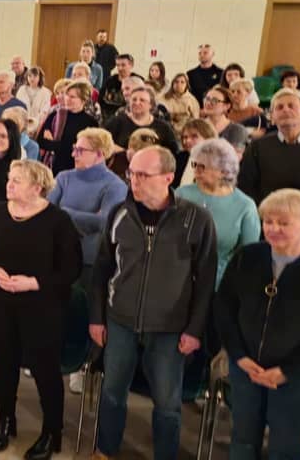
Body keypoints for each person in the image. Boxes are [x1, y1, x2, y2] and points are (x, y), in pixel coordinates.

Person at [89, 146, 217, 460]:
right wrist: (97, 317)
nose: (134, 181)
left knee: (167, 402)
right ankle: (105, 450)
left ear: (168, 178)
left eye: (143, 175)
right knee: (112, 392)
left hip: (170, 327)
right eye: (131, 173)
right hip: (120, 319)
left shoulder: (195, 219)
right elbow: (102, 269)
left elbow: (205, 281)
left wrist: (195, 329)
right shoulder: (119, 213)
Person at [216, 189, 300, 460]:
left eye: (284, 223)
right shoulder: (247, 257)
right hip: (245, 368)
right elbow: (224, 310)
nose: (273, 228)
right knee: (242, 438)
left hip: (296, 376)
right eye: (268, 221)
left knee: (284, 445)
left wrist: (288, 371)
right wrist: (239, 356)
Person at [0, 160, 81, 457]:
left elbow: (71, 269)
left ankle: (52, 432)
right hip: (0, 303)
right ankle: (6, 420)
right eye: (9, 179)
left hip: (41, 307)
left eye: (17, 181)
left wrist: (33, 283)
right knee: (4, 363)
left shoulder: (58, 221)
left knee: (45, 369)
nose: (9, 184)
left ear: (37, 188)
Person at [48, 127, 127, 394]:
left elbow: (104, 223)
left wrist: (66, 214)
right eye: (74, 148)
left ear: (100, 154)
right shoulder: (64, 177)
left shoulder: (114, 185)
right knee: (57, 309)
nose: (74, 154)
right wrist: (80, 218)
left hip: (92, 260)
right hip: (60, 255)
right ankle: (53, 356)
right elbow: (48, 211)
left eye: (80, 150)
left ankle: (84, 364)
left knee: (87, 313)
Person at [176, 138, 261, 286]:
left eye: (202, 167)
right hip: (179, 279)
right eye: (195, 165)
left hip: (221, 284)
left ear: (224, 171)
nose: (196, 171)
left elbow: (248, 256)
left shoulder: (245, 206)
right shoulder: (181, 195)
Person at [239, 88, 300, 209]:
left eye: (291, 106)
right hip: (267, 216)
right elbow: (246, 189)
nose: (286, 109)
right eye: (279, 107)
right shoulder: (256, 148)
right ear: (272, 118)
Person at [38, 82, 100, 174]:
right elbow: (40, 141)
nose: (67, 99)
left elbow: (87, 150)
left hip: (75, 169)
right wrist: (62, 146)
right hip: (51, 167)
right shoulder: (55, 115)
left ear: (83, 100)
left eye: (72, 97)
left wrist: (54, 145)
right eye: (67, 95)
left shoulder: (91, 123)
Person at [103, 86, 179, 153]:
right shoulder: (117, 122)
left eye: (142, 100)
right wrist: (124, 151)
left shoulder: (163, 127)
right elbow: (103, 143)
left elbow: (172, 152)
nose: (137, 103)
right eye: (134, 99)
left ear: (151, 105)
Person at [173, 118, 217, 189]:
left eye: (194, 136)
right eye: (185, 137)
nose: (187, 141)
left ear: (208, 137)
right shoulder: (179, 158)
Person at [99, 53, 142, 119]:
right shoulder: (110, 81)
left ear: (131, 65)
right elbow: (101, 99)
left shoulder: (138, 81)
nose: (120, 68)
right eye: (118, 65)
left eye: (123, 65)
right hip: (110, 117)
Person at [160, 73, 201, 137]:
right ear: (172, 84)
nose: (179, 84)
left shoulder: (191, 100)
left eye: (182, 82)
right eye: (176, 82)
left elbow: (195, 119)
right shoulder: (164, 97)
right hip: (167, 130)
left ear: (186, 85)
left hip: (184, 131)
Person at [17, 66, 52, 135]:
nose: (32, 79)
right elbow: (17, 107)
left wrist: (36, 125)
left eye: (35, 76)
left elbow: (44, 112)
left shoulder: (46, 92)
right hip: (22, 124)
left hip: (38, 125)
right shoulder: (22, 90)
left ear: (40, 77)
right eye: (30, 76)